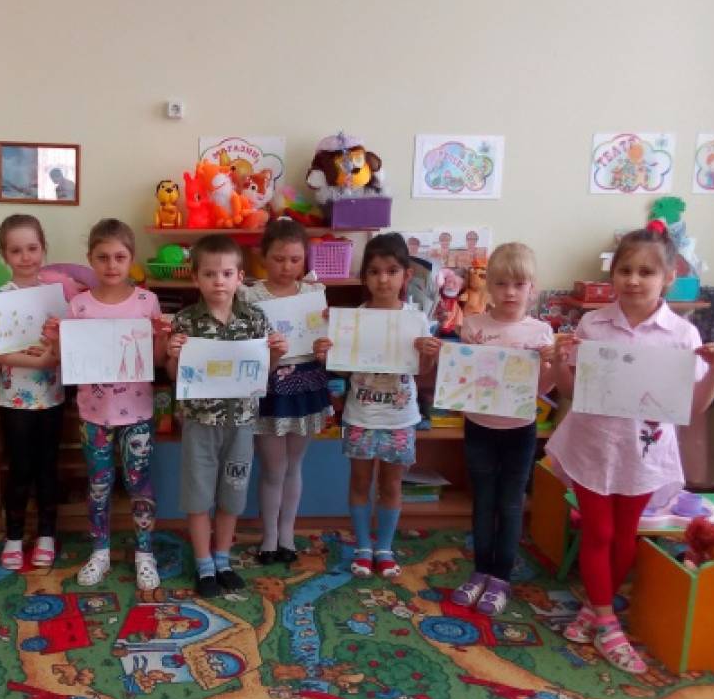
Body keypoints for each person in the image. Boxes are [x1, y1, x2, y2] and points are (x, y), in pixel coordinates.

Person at [547, 220, 714, 673]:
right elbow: (571, 390)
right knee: (599, 532)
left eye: (646, 272)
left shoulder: (682, 335)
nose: (633, 280)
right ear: (612, 275)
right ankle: (609, 623)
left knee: (625, 535)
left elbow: (693, 407)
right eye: (624, 270)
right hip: (592, 445)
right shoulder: (593, 323)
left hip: (644, 453)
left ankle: (594, 608)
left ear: (668, 277)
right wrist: (560, 361)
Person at [43, 219, 168, 589]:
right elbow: (67, 359)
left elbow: (157, 361)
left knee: (138, 482)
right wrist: (55, 339)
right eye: (103, 257)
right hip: (94, 415)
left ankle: (144, 553)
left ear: (132, 258)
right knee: (98, 484)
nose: (111, 265)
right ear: (90, 259)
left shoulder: (146, 302)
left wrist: (162, 338)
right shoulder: (79, 305)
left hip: (138, 412)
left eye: (119, 257)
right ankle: (100, 551)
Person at [167, 234, 287, 596]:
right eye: (209, 274)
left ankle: (222, 559)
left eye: (226, 273)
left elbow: (263, 371)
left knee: (233, 492)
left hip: (241, 422)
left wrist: (276, 353)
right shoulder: (186, 322)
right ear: (195, 278)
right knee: (198, 495)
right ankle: (204, 564)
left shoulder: (255, 319)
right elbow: (175, 376)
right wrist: (173, 355)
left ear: (240, 278)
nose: (218, 281)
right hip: (200, 423)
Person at [314, 233, 440, 579]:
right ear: (364, 277)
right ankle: (362, 547)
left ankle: (384, 547)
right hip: (361, 414)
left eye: (392, 270)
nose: (383, 279)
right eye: (374, 271)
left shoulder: (416, 319)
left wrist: (429, 355)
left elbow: (421, 371)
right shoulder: (353, 319)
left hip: (400, 417)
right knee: (359, 481)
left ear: (406, 275)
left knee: (391, 484)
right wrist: (327, 356)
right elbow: (344, 370)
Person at [449, 243, 555, 615]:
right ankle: (480, 571)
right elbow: (462, 379)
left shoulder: (541, 332)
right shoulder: (474, 326)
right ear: (488, 285)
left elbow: (544, 389)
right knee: (483, 500)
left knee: (510, 504)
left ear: (532, 288)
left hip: (520, 430)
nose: (510, 292)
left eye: (519, 284)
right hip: (479, 427)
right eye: (501, 283)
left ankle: (501, 578)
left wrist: (549, 364)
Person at [0, 214, 80, 570]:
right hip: (14, 398)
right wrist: (38, 361)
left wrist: (52, 355)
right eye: (16, 250)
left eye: (32, 248)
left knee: (46, 467)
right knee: (20, 468)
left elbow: (66, 345)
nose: (25, 257)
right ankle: (13, 536)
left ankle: (46, 534)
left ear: (43, 249)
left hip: (52, 396)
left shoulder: (56, 296)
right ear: (4, 254)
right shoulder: (0, 297)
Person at [238, 219, 330, 566]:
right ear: (263, 256)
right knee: (273, 468)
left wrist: (326, 344)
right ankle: (269, 537)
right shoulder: (250, 295)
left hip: (306, 384)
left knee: (294, 465)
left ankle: (287, 534)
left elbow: (324, 340)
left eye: (295, 259)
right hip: (269, 386)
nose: (287, 267)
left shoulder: (312, 293)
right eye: (278, 259)